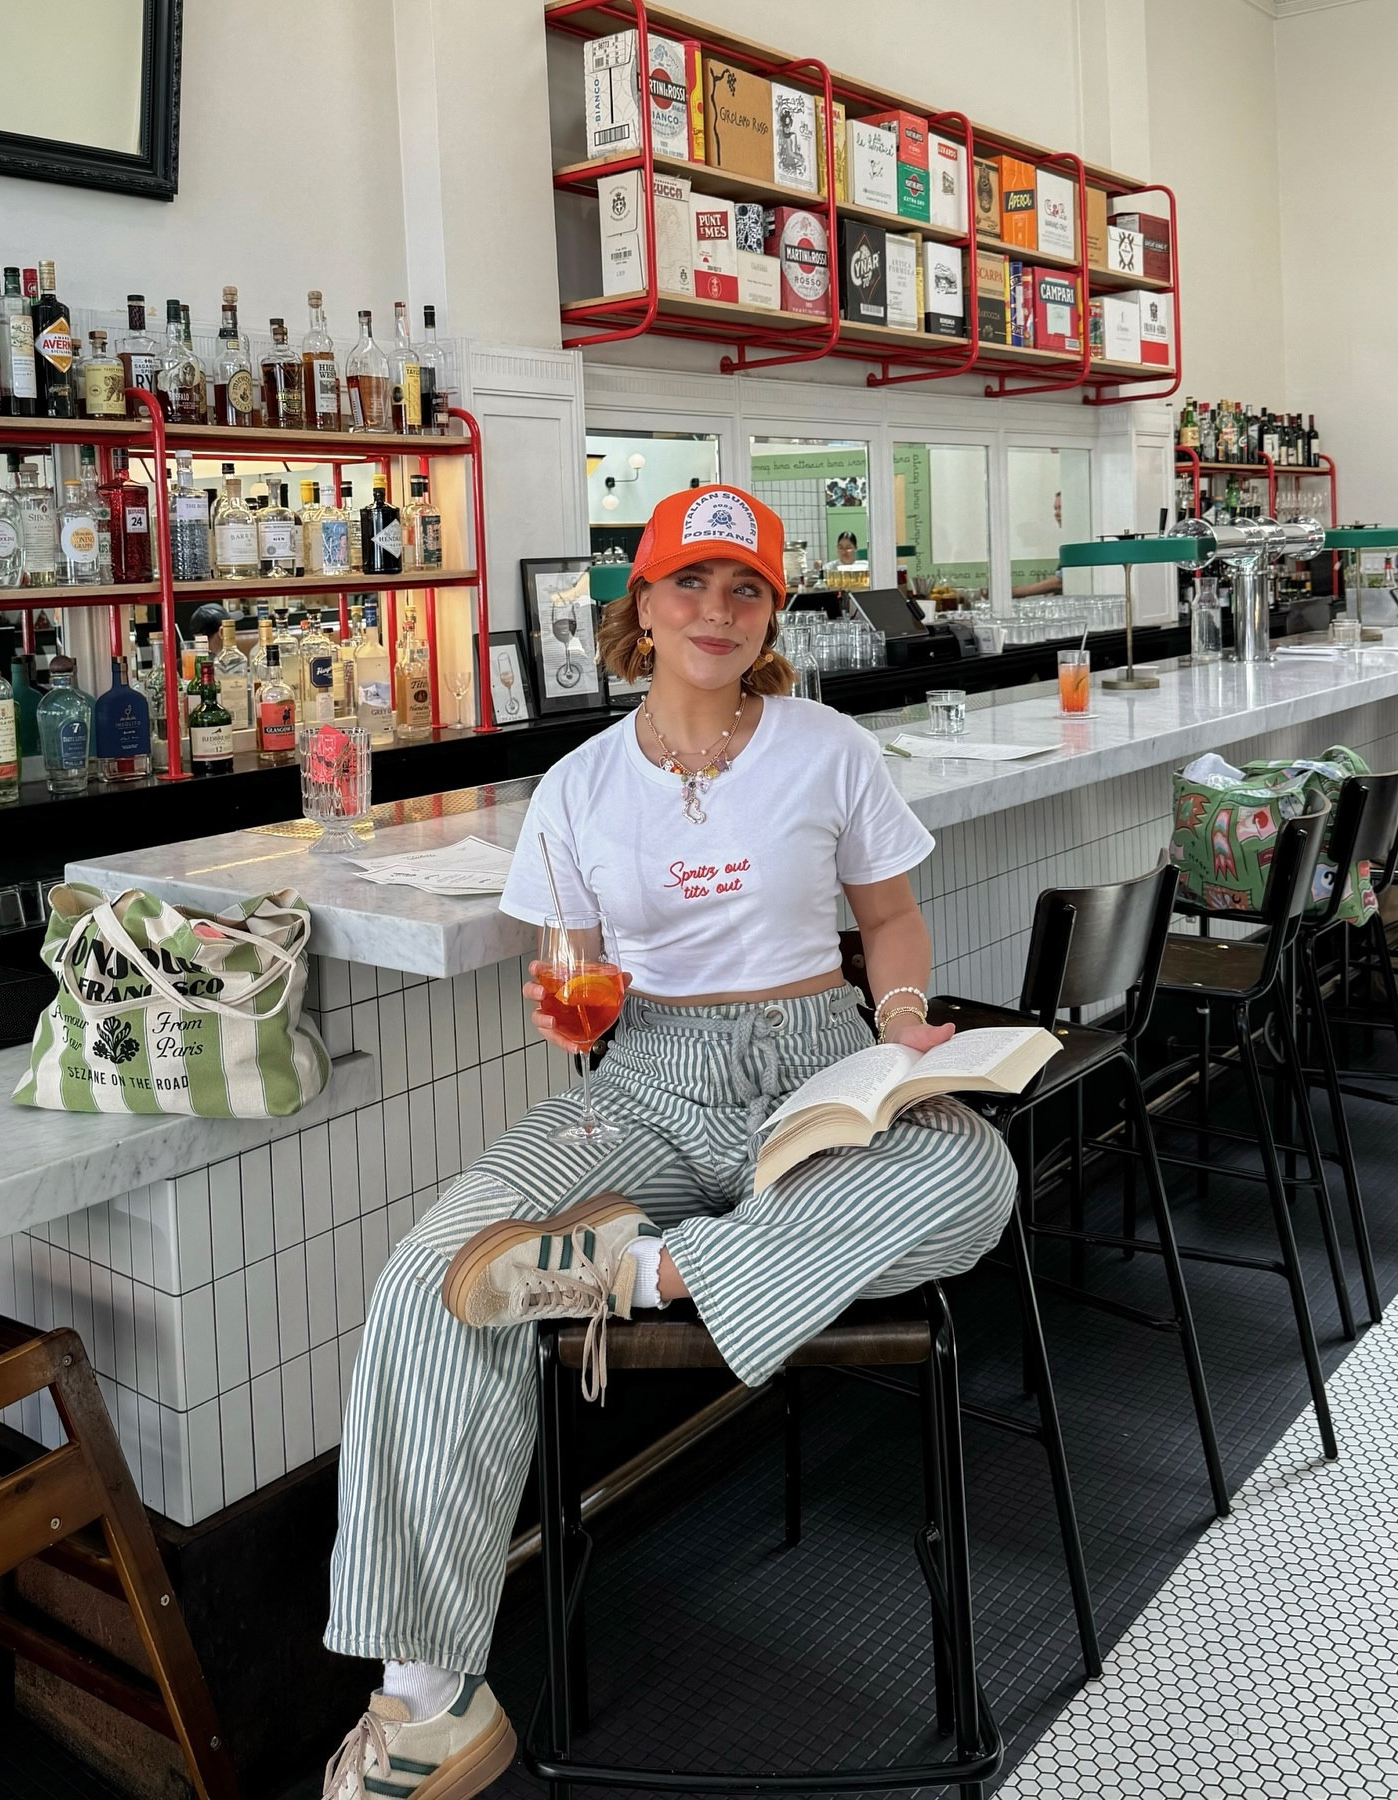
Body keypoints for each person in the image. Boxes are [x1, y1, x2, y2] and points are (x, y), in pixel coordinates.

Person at [319, 484, 1018, 1800]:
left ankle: (649, 1272)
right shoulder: (576, 790)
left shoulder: (826, 748)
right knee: (431, 1271)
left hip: (816, 1057)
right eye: (689, 583)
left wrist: (909, 1018)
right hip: (645, 1080)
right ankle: (426, 1701)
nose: (717, 608)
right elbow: (568, 983)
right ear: (639, 608)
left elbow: (892, 923)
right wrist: (562, 1004)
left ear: (771, 615)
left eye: (744, 587)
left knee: (975, 1172)